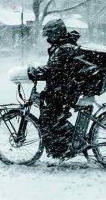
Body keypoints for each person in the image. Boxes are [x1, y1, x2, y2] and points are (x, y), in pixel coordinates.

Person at [27, 19, 82, 159]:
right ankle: (63, 147)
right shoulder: (63, 46)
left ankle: (62, 149)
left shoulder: (64, 48)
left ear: (57, 33)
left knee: (49, 117)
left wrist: (36, 72)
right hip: (64, 88)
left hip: (64, 90)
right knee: (52, 117)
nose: (48, 39)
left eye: (50, 35)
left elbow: (53, 70)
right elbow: (56, 70)